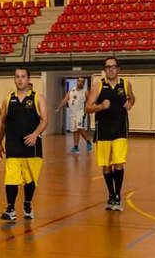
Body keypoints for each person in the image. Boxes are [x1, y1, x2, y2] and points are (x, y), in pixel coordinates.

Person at [0, 67, 49, 221]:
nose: (20, 80)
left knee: (30, 180)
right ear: (14, 79)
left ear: (28, 79)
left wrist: (35, 134)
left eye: (23, 77)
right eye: (17, 77)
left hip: (32, 147)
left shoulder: (38, 98)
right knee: (11, 178)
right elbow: (2, 122)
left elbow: (45, 120)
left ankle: (27, 203)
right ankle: (10, 208)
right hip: (13, 146)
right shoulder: (8, 99)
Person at [86, 57, 134, 211]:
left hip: (120, 129)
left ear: (118, 69)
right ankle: (111, 194)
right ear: (104, 70)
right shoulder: (98, 85)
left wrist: (131, 102)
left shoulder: (125, 84)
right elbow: (88, 108)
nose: (111, 70)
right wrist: (100, 106)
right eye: (108, 67)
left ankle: (118, 195)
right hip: (103, 131)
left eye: (113, 67)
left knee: (119, 162)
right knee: (106, 166)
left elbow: (132, 97)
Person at [55, 78, 92, 153]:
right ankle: (76, 147)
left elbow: (90, 101)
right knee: (75, 130)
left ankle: (88, 141)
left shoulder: (85, 92)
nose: (80, 83)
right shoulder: (71, 90)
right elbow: (65, 100)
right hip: (73, 113)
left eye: (82, 82)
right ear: (77, 81)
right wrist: (59, 108)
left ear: (84, 83)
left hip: (80, 112)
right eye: (79, 81)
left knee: (79, 127)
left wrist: (89, 109)